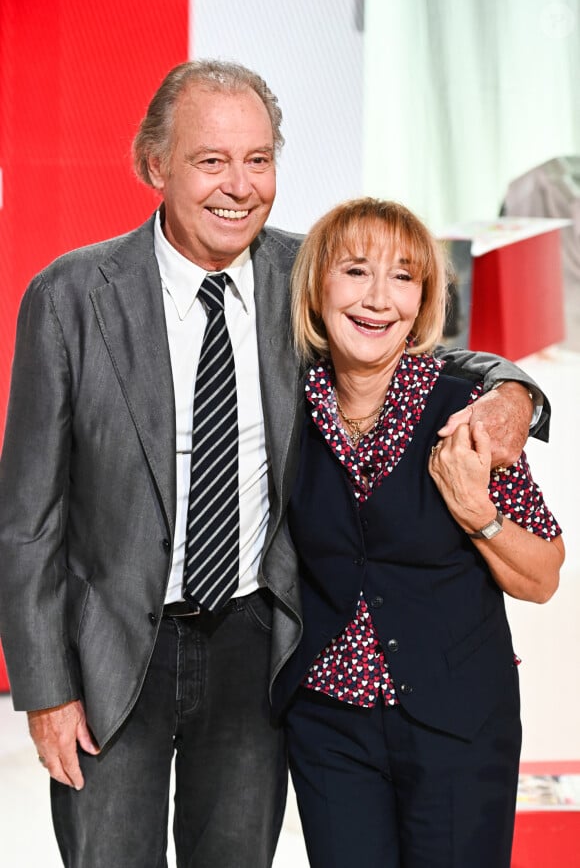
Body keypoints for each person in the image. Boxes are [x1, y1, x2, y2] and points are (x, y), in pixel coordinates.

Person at [0, 61, 550, 868]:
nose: (240, 185)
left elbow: (417, 345)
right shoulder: (72, 296)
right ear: (156, 165)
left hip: (257, 648)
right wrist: (44, 689)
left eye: (258, 159)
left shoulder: (306, 274)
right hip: (114, 649)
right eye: (211, 160)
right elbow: (27, 520)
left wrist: (515, 392)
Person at [274, 197, 565, 868]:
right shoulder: (289, 408)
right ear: (318, 286)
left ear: (423, 299)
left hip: (458, 723)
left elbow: (545, 574)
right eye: (356, 271)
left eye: (403, 276)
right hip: (329, 726)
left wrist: (478, 515)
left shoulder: (468, 414)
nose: (379, 299)